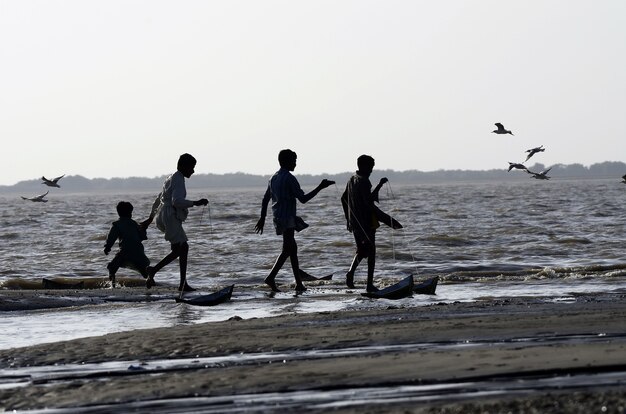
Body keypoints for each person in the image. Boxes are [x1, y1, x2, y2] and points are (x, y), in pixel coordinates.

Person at [255, 149, 334, 292]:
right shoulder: (289, 178)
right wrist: (320, 187)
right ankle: (271, 277)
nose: (296, 164)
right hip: (287, 218)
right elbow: (303, 199)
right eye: (294, 161)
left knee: (292, 249)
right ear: (286, 161)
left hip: (278, 217)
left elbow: (266, 199)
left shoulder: (273, 178)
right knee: (287, 250)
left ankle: (298, 283)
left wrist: (262, 218)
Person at [145, 153, 208, 291]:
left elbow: (159, 198)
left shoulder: (171, 177)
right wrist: (196, 203)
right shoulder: (178, 179)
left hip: (164, 215)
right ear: (182, 166)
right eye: (191, 167)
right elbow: (176, 201)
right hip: (170, 216)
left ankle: (178, 281)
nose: (193, 171)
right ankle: (159, 273)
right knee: (182, 247)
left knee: (180, 249)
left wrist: (151, 218)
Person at [341, 155, 402, 292]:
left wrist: (348, 219)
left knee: (362, 250)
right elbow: (369, 203)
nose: (371, 171)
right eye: (370, 167)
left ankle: (350, 273)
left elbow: (343, 198)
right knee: (371, 252)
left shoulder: (351, 179)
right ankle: (369, 284)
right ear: (362, 166)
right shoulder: (364, 182)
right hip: (366, 221)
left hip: (355, 222)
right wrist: (387, 219)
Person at [104, 201, 152, 287]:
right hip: (138, 252)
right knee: (144, 271)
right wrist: (144, 229)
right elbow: (142, 237)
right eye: (130, 212)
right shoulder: (134, 224)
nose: (131, 214)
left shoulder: (117, 224)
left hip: (124, 252)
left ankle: (112, 284)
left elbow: (111, 237)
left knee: (112, 267)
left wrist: (107, 247)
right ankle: (150, 282)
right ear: (129, 213)